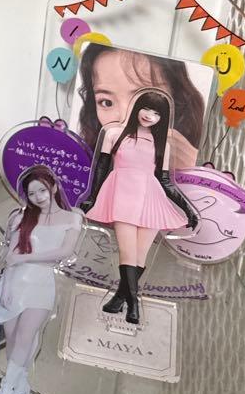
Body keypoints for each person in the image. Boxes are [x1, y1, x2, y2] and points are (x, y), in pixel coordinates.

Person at [80, 89, 199, 324]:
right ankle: (134, 304)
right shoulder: (114, 134)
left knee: (140, 256)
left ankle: (120, 298)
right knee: (128, 252)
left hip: (150, 198)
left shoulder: (161, 143)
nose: (149, 115)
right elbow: (101, 167)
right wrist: (92, 197)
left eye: (157, 113)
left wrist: (188, 208)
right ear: (137, 107)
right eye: (146, 108)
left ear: (162, 118)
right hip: (122, 196)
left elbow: (165, 181)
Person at [0, 167, 81, 394]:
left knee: (26, 336)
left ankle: (6, 390)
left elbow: (65, 251)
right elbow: (11, 255)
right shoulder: (22, 217)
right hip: (14, 283)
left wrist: (27, 258)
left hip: (41, 283)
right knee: (13, 340)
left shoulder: (72, 218)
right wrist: (5, 286)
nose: (38, 197)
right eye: (32, 193)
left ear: (53, 187)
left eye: (42, 190)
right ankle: (21, 380)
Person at [75, 44, 207, 169]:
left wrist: (192, 171)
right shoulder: (84, 164)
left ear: (176, 101)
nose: (124, 120)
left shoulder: (195, 157)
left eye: (144, 100)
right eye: (107, 102)